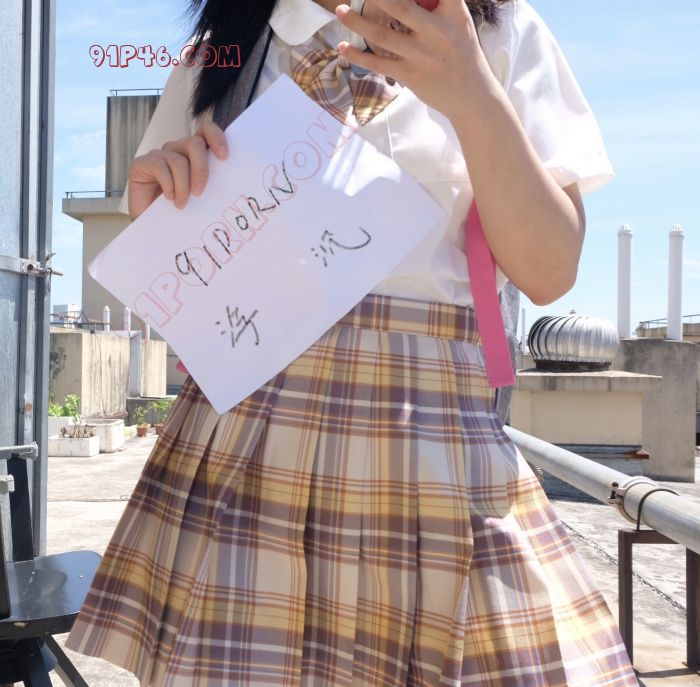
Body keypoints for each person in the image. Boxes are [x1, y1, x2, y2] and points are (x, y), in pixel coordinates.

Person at [66, 0, 639, 685]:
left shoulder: (493, 30)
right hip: (247, 445)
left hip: (432, 445)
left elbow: (549, 271)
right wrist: (160, 219)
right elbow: (186, 291)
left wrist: (473, 93)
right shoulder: (223, 52)